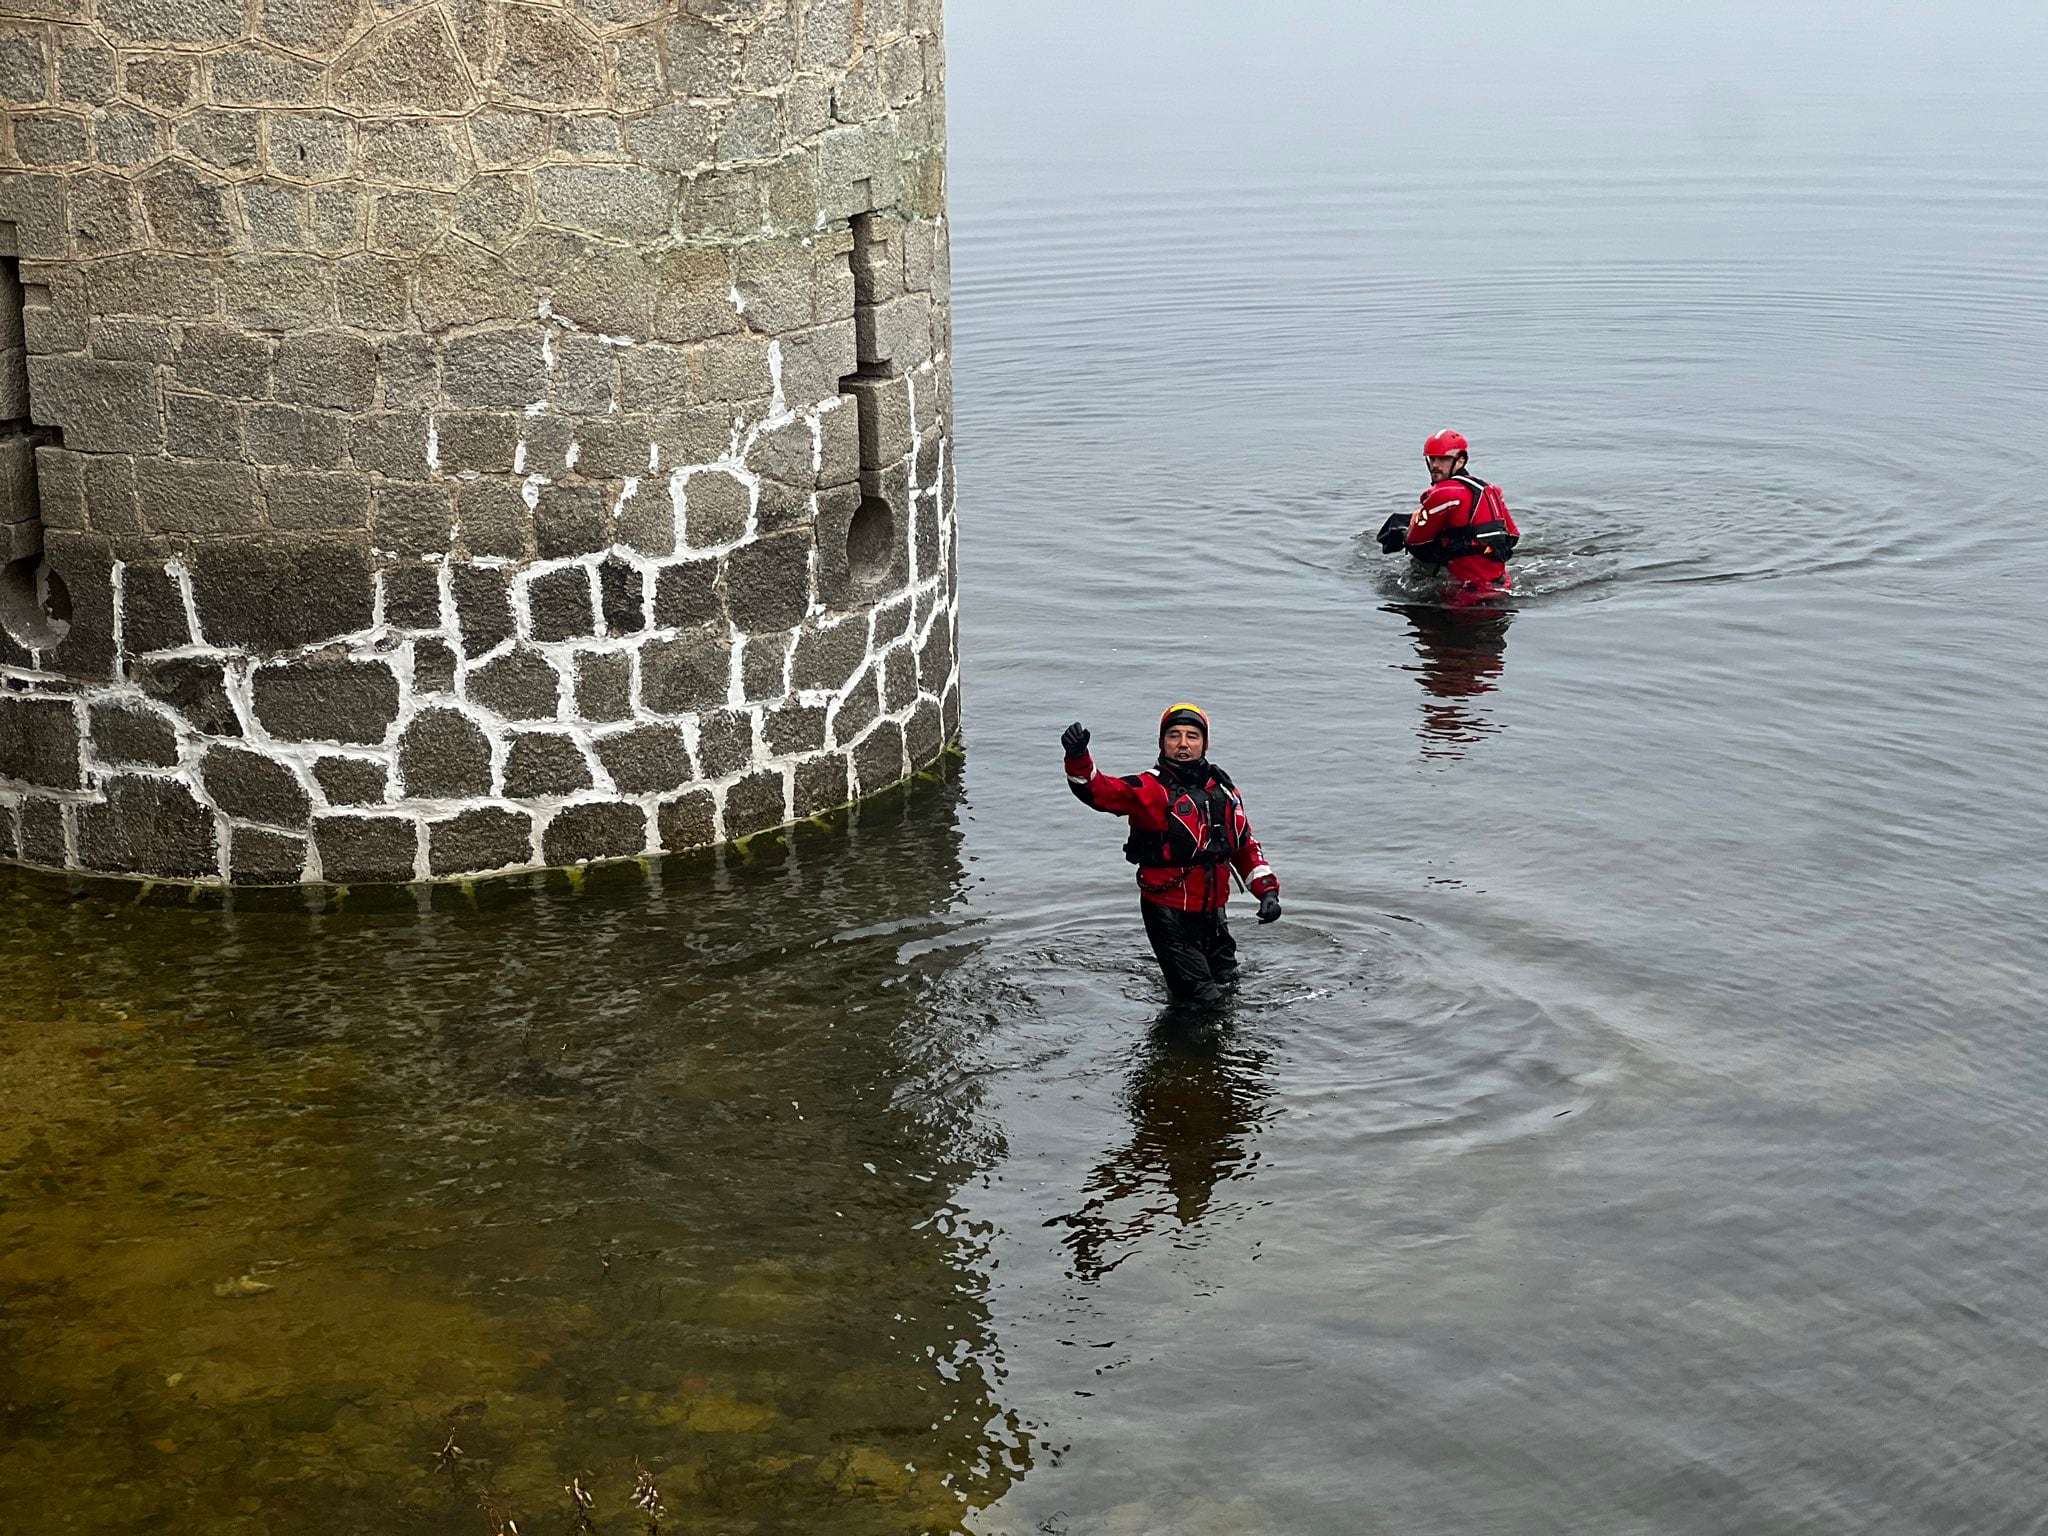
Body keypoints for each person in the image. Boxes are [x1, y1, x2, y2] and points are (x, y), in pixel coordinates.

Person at [1060, 704, 1281, 1009]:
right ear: (1162, 742)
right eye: (1174, 735)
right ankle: (1182, 1048)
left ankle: (1192, 1045)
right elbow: (1099, 791)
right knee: (1203, 1003)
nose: (1183, 743)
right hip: (1168, 915)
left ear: (1205, 743)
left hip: (1213, 915)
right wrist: (1077, 757)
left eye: (1192, 736)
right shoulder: (1150, 789)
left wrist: (1267, 892)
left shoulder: (1224, 790)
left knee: (1228, 985)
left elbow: (1244, 846)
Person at [1376, 428, 1521, 595]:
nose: (1435, 465)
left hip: (1464, 594)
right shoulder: (1491, 490)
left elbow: (1416, 542)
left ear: (1460, 461)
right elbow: (1513, 536)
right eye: (1432, 459)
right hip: (1502, 584)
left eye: (1443, 459)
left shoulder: (1443, 493)